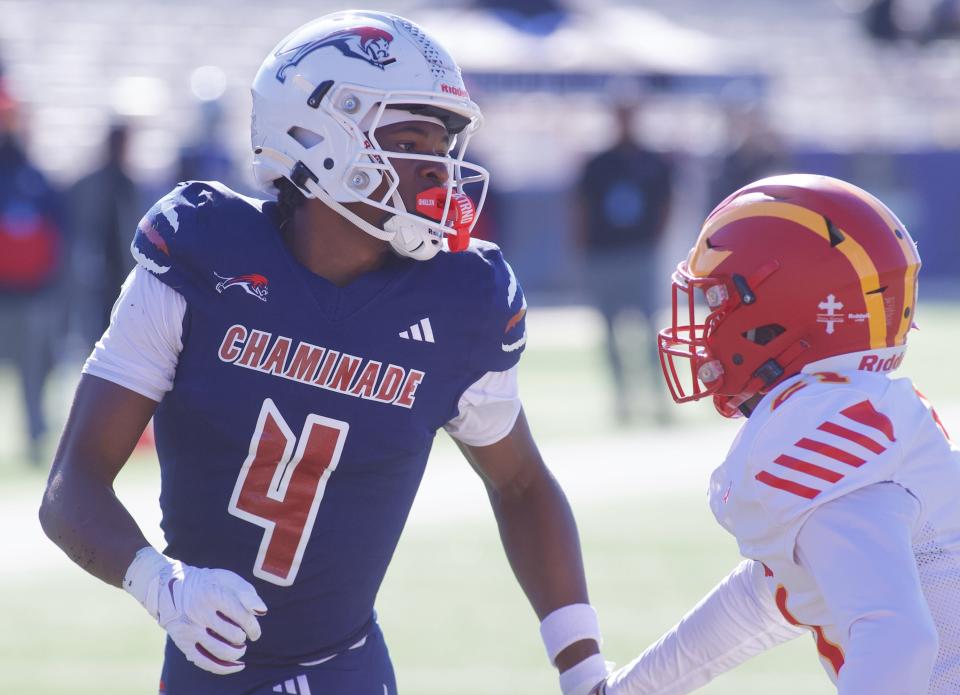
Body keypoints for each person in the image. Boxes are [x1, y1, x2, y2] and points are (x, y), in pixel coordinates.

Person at [39, 11, 609, 695]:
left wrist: (581, 665)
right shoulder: (203, 255)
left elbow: (521, 483)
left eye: (442, 144)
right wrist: (160, 583)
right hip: (210, 667)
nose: (437, 168)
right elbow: (71, 487)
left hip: (351, 668)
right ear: (316, 133)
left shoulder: (461, 298)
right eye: (409, 139)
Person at [590, 174, 960, 694]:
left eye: (720, 300)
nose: (708, 323)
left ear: (784, 307)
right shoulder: (864, 413)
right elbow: (775, 594)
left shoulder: (826, 431)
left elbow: (898, 641)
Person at [574, 101, 673, 424]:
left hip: (638, 254)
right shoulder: (599, 163)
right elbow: (580, 207)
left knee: (649, 330)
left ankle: (659, 399)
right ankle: (623, 402)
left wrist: (654, 244)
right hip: (604, 255)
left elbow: (666, 204)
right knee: (610, 332)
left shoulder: (653, 161)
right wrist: (582, 248)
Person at [0, 77, 65, 465]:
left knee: (35, 370)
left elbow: (58, 231)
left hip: (33, 292)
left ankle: (35, 437)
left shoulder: (35, 177)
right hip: (4, 291)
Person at [67, 121, 141, 346]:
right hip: (95, 271)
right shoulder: (94, 182)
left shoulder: (127, 183)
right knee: (93, 332)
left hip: (121, 271)